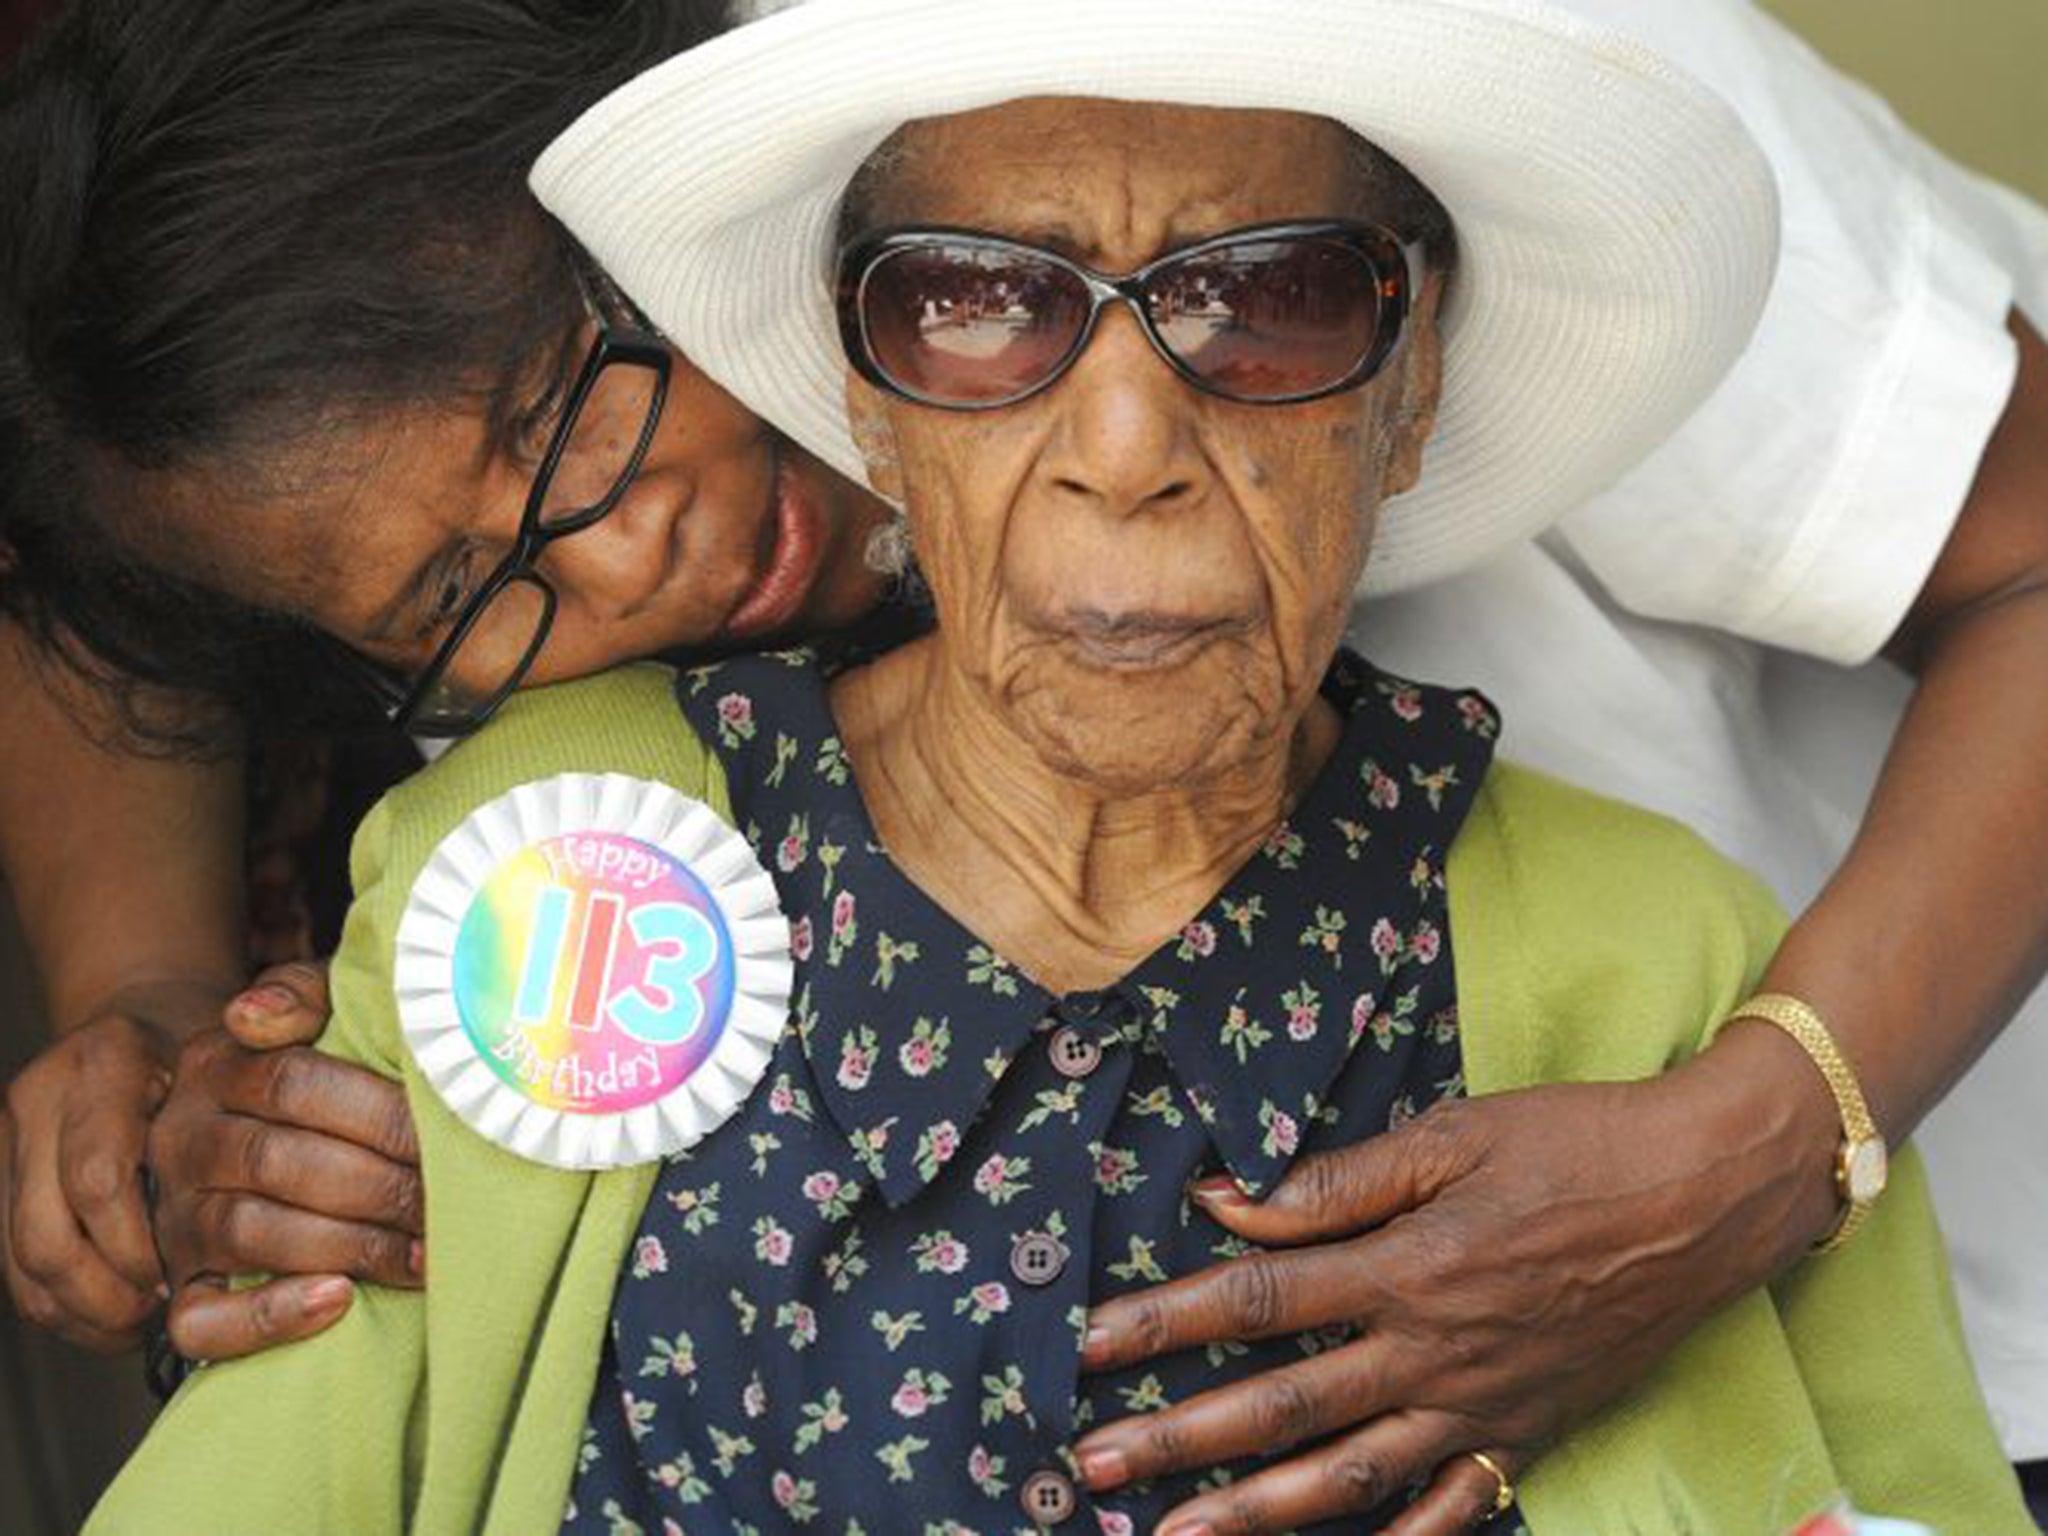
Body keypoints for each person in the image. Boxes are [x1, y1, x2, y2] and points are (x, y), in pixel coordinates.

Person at [2, 0, 2047, 1518]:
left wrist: (1752, 1145)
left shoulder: (1423, 78)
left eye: (582, 405)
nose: (648, 553)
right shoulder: (545, 828)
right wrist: (151, 998)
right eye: (477, 586)